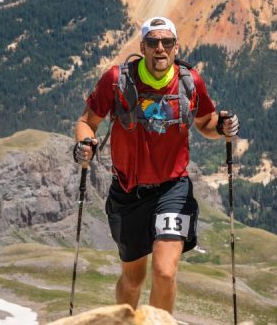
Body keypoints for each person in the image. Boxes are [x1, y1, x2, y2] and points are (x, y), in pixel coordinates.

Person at [73, 16, 239, 314]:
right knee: (133, 278)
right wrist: (85, 144)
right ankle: (123, 321)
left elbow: (205, 123)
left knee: (164, 271)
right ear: (143, 47)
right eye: (153, 42)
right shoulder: (117, 80)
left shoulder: (189, 81)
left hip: (173, 189)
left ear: (176, 47)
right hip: (128, 192)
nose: (160, 49)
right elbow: (87, 121)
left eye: (167, 42)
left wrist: (223, 127)